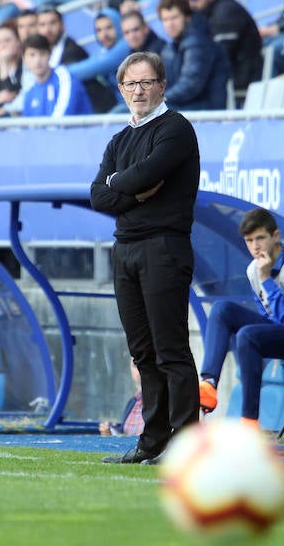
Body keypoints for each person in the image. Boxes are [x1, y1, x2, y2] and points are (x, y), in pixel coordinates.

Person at [90, 51, 201, 464]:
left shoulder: (176, 130)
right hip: (127, 249)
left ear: (162, 85)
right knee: (143, 353)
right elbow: (98, 195)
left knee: (171, 349)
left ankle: (189, 443)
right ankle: (152, 440)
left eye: (146, 82)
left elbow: (144, 174)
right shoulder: (120, 139)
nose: (138, 91)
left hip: (164, 248)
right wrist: (129, 188)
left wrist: (120, 183)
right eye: (130, 84)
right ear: (121, 90)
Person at [197, 208, 284, 425]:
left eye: (260, 238)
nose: (255, 247)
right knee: (221, 309)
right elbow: (268, 313)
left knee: (248, 335)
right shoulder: (252, 269)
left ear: (276, 236)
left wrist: (266, 279)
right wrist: (262, 277)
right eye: (249, 241)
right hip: (278, 328)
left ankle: (249, 421)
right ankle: (209, 383)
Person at [183, 0, 263, 94]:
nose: (191, 4)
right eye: (187, 0)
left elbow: (221, 57)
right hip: (234, 78)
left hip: (245, 81)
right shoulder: (209, 13)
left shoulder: (225, 12)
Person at [157, 0, 229, 111]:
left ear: (187, 17)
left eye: (174, 17)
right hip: (184, 105)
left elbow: (191, 85)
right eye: (165, 19)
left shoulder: (198, 42)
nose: (170, 24)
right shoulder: (170, 47)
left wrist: (159, 99)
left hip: (205, 109)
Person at [20, 33, 93, 117]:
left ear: (50, 55)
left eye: (42, 54)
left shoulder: (64, 78)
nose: (37, 60)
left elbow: (61, 120)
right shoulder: (30, 92)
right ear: (24, 59)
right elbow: (27, 127)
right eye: (32, 55)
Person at [99, 360, 144, 436]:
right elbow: (124, 434)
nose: (140, 368)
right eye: (135, 365)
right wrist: (110, 433)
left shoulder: (164, 402)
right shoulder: (133, 402)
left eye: (144, 363)